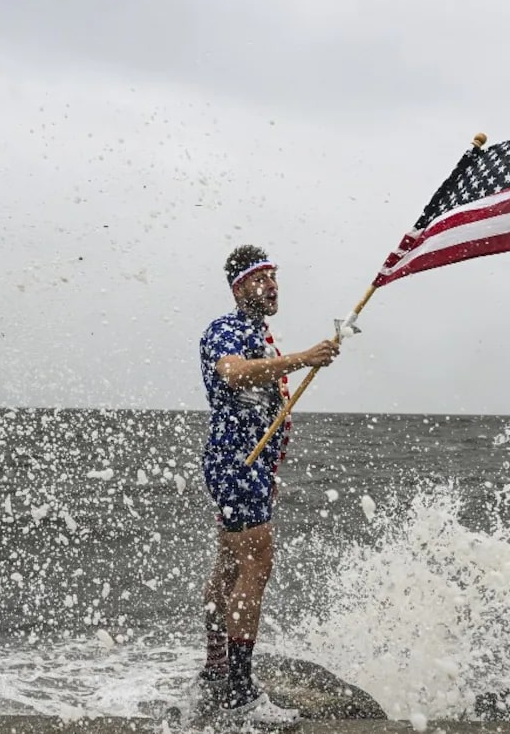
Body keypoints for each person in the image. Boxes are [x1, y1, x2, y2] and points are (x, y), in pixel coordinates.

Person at [196, 245, 340, 723]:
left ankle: (216, 671)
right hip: (237, 462)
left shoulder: (259, 333)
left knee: (230, 565)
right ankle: (239, 693)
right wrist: (303, 358)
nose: (272, 286)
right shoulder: (227, 329)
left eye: (274, 277)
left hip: (248, 465)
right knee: (256, 563)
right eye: (262, 279)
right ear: (240, 288)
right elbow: (232, 372)